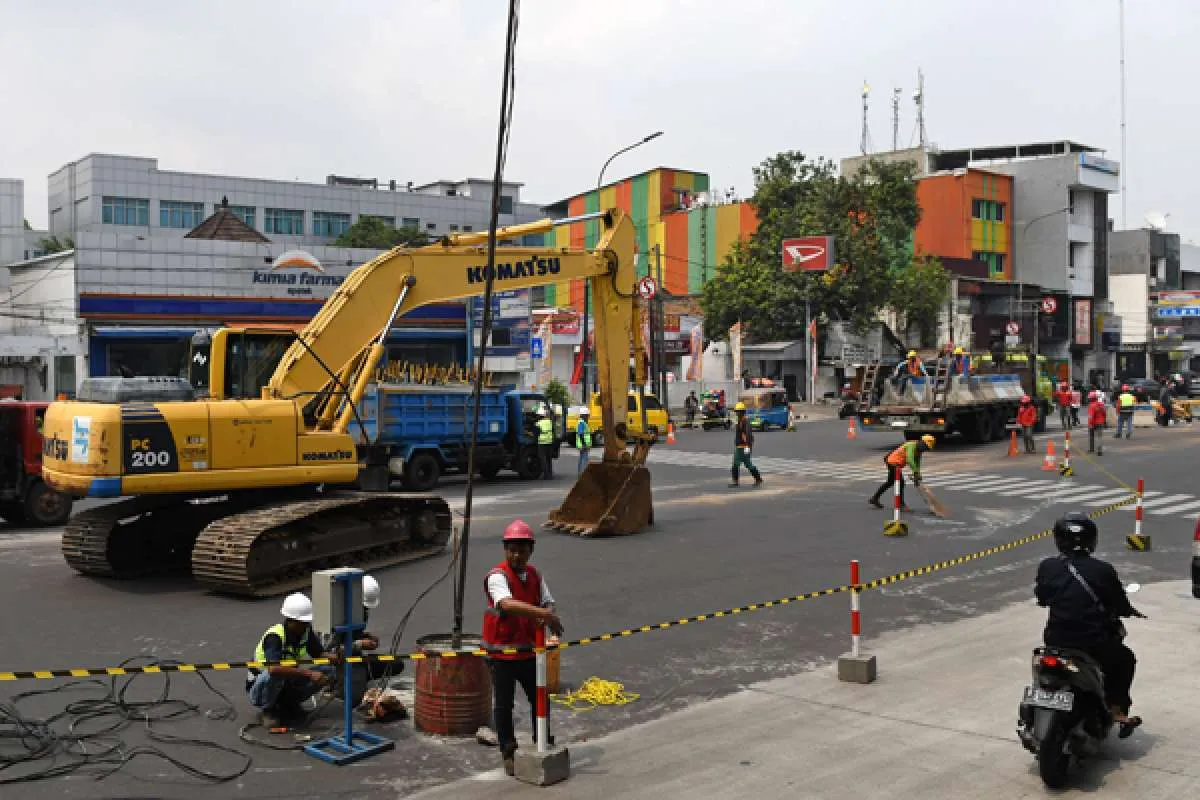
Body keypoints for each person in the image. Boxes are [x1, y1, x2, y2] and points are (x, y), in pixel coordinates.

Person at [1035, 512, 1143, 737]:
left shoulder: (1048, 566)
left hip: (1056, 639)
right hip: (1092, 643)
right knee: (1125, 659)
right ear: (1091, 540)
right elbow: (1119, 602)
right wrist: (1127, 610)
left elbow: (1042, 598)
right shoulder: (1102, 570)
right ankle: (1116, 710)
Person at [483, 520, 564, 776]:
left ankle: (543, 739)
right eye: (512, 550)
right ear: (505, 550)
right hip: (502, 653)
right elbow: (506, 604)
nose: (516, 555)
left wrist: (547, 612)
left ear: (531, 551)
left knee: (540, 697)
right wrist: (544, 615)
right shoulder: (497, 576)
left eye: (522, 550)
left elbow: (548, 601)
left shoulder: (535, 576)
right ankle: (508, 751)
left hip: (529, 651)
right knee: (503, 705)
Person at [246, 592, 337, 727]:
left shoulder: (305, 631)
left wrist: (335, 657)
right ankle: (268, 710)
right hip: (260, 688)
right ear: (291, 621)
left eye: (307, 622)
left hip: (287, 680)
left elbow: (318, 654)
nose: (306, 625)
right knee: (274, 675)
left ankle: (290, 704)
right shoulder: (275, 636)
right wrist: (309, 674)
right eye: (302, 623)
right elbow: (274, 669)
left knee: (328, 670)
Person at [322, 575, 385, 707]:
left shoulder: (360, 611)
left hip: (353, 658)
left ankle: (358, 678)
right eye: (363, 606)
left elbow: (351, 635)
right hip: (338, 662)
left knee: (395, 664)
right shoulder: (334, 616)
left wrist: (365, 636)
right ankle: (336, 682)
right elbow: (328, 651)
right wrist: (360, 644)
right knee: (354, 699)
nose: (365, 610)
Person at [869, 434, 934, 510]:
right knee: (901, 483)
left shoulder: (919, 450)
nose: (925, 449)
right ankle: (901, 504)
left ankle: (875, 498)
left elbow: (917, 462)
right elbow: (910, 459)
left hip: (896, 464)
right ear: (922, 442)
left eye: (927, 448)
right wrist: (915, 472)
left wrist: (918, 473)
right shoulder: (911, 445)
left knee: (890, 482)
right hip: (893, 463)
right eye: (925, 447)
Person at [729, 401, 763, 488]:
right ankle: (758, 479)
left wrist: (748, 446)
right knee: (748, 464)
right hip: (742, 446)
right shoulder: (741, 420)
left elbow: (748, 435)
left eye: (737, 412)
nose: (736, 413)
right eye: (736, 412)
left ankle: (735, 482)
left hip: (742, 447)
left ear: (741, 412)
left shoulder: (744, 421)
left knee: (736, 464)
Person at [536, 406, 555, 479]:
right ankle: (550, 474)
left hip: (542, 443)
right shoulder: (549, 422)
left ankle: (546, 475)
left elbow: (536, 434)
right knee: (548, 459)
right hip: (549, 442)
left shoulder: (538, 423)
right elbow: (552, 430)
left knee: (543, 459)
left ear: (539, 416)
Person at [1087, 390, 1106, 455]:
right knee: (1099, 437)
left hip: (1093, 423)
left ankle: (1091, 449)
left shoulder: (1091, 406)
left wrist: (1090, 424)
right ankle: (1100, 451)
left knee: (1091, 436)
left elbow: (1091, 416)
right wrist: (1104, 421)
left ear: (1091, 399)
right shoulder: (1101, 404)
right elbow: (1104, 413)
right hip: (1100, 422)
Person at [575, 407, 592, 475]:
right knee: (584, 460)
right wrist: (584, 444)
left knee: (582, 459)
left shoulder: (582, 422)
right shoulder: (581, 423)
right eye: (587, 415)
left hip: (583, 444)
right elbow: (581, 434)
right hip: (583, 445)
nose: (588, 417)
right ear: (584, 415)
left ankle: (580, 474)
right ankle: (583, 474)